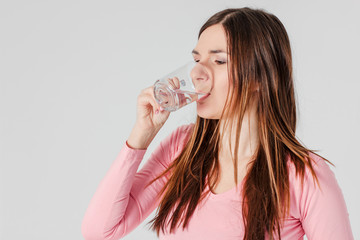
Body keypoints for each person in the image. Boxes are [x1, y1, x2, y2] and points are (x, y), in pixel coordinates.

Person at [81, 7, 354, 240]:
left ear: (260, 78)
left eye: (219, 60)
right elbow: (100, 231)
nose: (198, 73)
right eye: (197, 59)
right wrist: (141, 135)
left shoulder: (305, 175)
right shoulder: (182, 147)